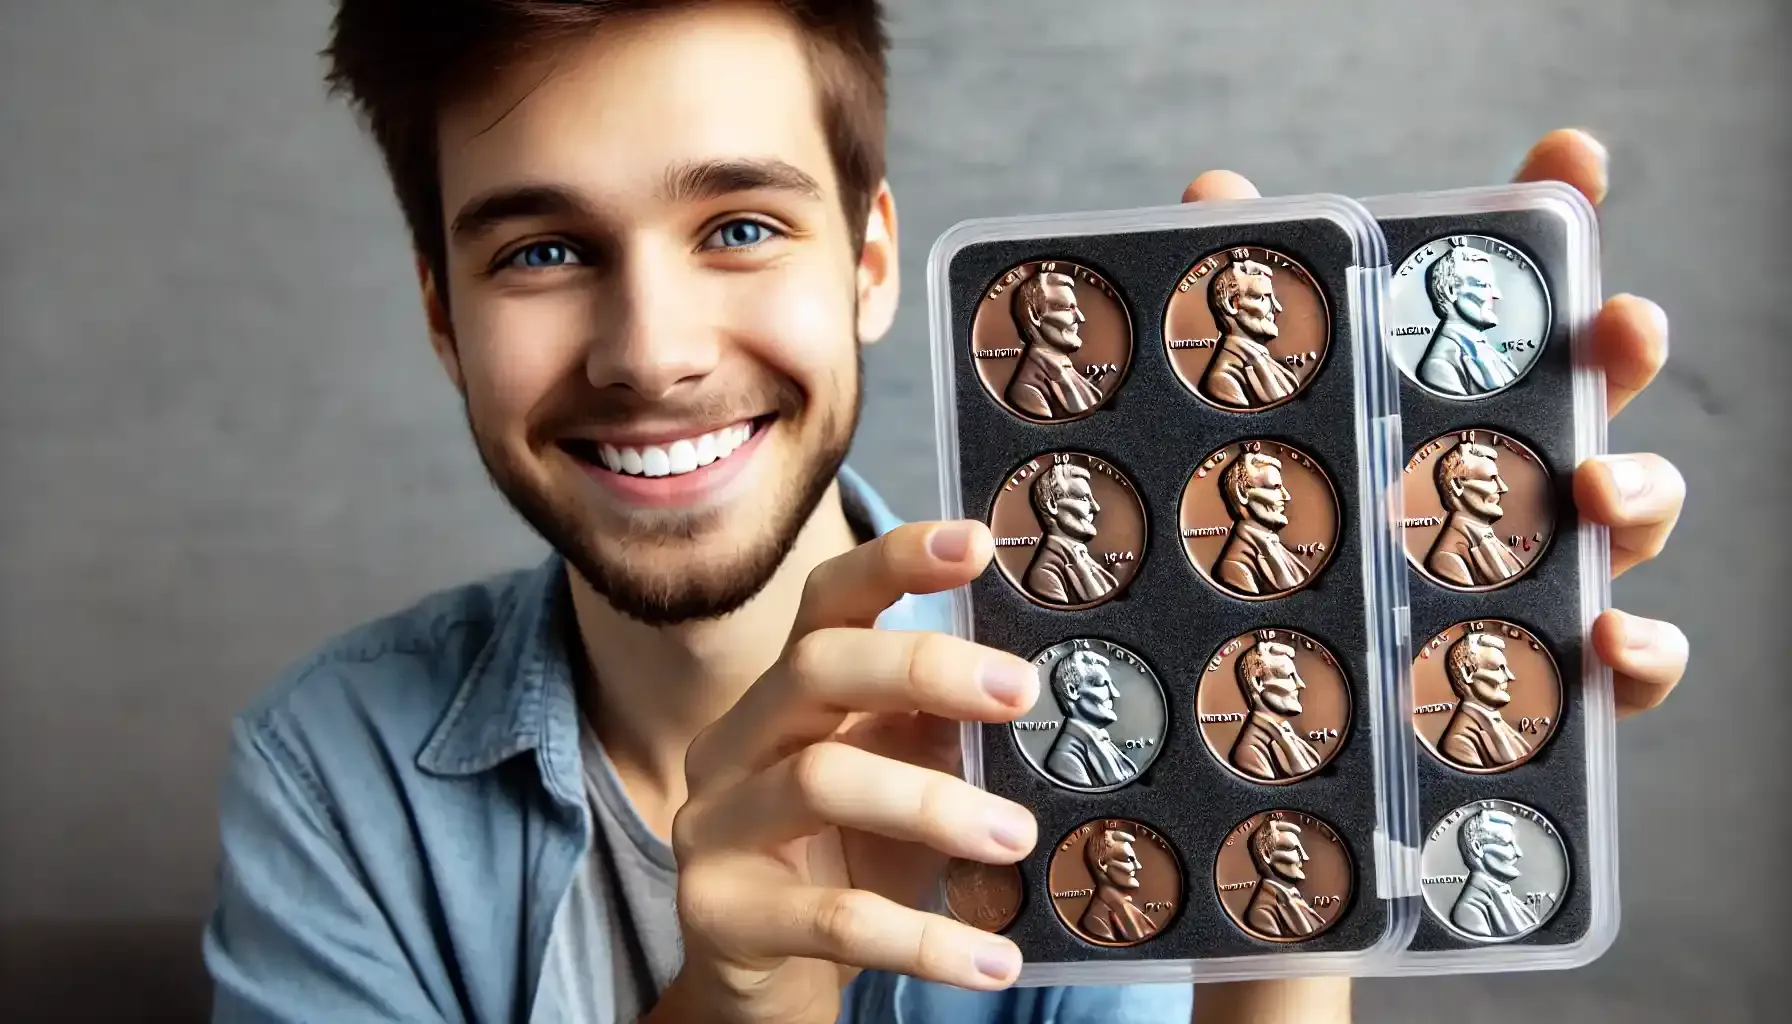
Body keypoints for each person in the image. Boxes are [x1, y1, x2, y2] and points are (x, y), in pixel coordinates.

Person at [197, 0, 1690, 1020]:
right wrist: (741, 998)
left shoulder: (1100, 715)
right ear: (443, 316)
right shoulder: (336, 777)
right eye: (538, 253)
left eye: (738, 226)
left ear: (868, 259)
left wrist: (1311, 823)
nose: (651, 348)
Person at [1417, 244, 1522, 396]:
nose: (1497, 295)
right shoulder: (1440, 366)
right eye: (1483, 285)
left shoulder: (1498, 356)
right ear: (1451, 290)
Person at [1425, 439, 1528, 587]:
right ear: (1457, 484)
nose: (1503, 487)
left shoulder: (1492, 541)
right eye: (1491, 478)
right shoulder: (1447, 558)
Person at [1201, 259, 1302, 408]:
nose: (1278, 308)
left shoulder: (1271, 364)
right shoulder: (1223, 379)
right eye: (1261, 297)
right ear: (1231, 304)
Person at [1004, 269, 1103, 419]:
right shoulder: (1026, 390)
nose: (1081, 318)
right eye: (1067, 308)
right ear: (1034, 314)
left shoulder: (1068, 370)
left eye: (1076, 308)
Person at [1213, 451, 1310, 596]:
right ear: (1242, 493)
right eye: (1274, 487)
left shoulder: (1280, 550)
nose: (1286, 497)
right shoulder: (1235, 567)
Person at [1021, 461, 1118, 605]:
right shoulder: (1045, 574)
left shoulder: (1086, 560)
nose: (1096, 508)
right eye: (1083, 498)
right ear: (1052, 505)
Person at [1041, 649, 1139, 788]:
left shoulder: (1102, 743)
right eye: (1101, 683)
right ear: (1072, 691)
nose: (1115, 694)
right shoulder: (1065, 758)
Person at [1228, 640, 1324, 781]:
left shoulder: (1291, 737)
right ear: (1258, 683)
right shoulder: (1250, 752)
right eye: (1287, 676)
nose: (1300, 684)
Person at [1438, 632, 1533, 770]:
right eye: (1498, 668)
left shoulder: (1503, 726)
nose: (1510, 676)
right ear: (1467, 674)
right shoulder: (1459, 741)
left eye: (1506, 668)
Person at [1448, 808, 1541, 939]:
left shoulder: (1512, 900)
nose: (1519, 853)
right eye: (1506, 844)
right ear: (1477, 847)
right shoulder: (1469, 910)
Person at [1243, 819, 1328, 939]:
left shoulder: (1293, 898)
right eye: (1293, 849)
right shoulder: (1262, 913)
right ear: (1267, 854)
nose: (1305, 857)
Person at [1078, 827, 1159, 944]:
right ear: (1102, 864)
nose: (1138, 866)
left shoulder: (1131, 910)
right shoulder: (1095, 921)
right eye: (1129, 859)